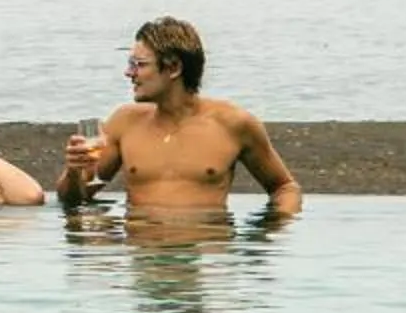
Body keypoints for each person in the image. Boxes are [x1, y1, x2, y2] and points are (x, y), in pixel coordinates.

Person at [59, 16, 302, 218]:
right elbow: (75, 199)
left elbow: (285, 188)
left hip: (205, 252)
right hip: (143, 256)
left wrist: (269, 233)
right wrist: (74, 172)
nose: (128, 73)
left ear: (174, 67)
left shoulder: (233, 124)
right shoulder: (124, 122)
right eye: (129, 63)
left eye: (139, 64)